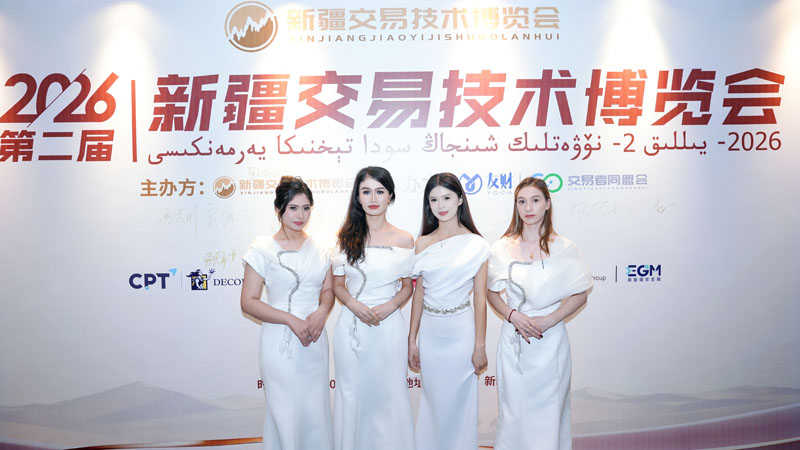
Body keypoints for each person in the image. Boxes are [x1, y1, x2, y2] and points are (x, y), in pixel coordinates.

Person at [486, 177, 592, 450]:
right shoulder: (502, 247)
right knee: (513, 412)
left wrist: (550, 320)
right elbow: (491, 293)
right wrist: (513, 316)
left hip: (550, 340)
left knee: (550, 411)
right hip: (515, 342)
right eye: (521, 201)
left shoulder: (564, 248)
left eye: (535, 200)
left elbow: (580, 293)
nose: (528, 207)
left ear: (547, 203)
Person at [240, 176, 334, 450]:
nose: (300, 215)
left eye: (306, 208)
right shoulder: (262, 249)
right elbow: (248, 302)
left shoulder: (321, 249)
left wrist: (321, 312)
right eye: (293, 208)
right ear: (278, 209)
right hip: (279, 341)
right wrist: (290, 319)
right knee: (283, 410)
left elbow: (328, 290)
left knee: (314, 411)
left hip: (314, 339)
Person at [331, 166, 416, 450]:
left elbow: (407, 287)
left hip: (387, 326)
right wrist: (354, 305)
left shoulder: (404, 239)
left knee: (387, 395)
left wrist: (390, 306)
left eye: (380, 191)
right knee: (351, 394)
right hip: (351, 327)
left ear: (390, 195)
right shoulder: (345, 236)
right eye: (366, 192)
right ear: (358, 196)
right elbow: (338, 285)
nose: (373, 198)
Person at [408, 172, 489, 450]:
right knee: (434, 402)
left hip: (461, 333)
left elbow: (480, 299)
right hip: (431, 334)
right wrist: (412, 339)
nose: (440, 205)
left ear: (460, 200)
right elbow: (419, 293)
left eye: (446, 197)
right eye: (433, 200)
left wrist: (480, 345)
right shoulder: (422, 243)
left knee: (461, 404)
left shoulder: (477, 244)